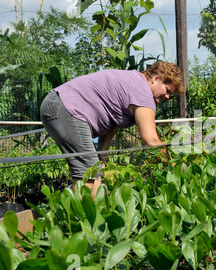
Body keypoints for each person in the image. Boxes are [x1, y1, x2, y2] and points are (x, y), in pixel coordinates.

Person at [40, 61, 185, 199]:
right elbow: (151, 141)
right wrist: (174, 167)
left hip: (58, 104)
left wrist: (103, 152)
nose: (167, 96)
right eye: (167, 90)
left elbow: (115, 117)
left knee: (93, 178)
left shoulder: (134, 81)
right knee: (89, 178)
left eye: (170, 94)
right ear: (155, 78)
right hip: (67, 108)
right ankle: (69, 221)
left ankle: (80, 219)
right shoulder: (143, 92)